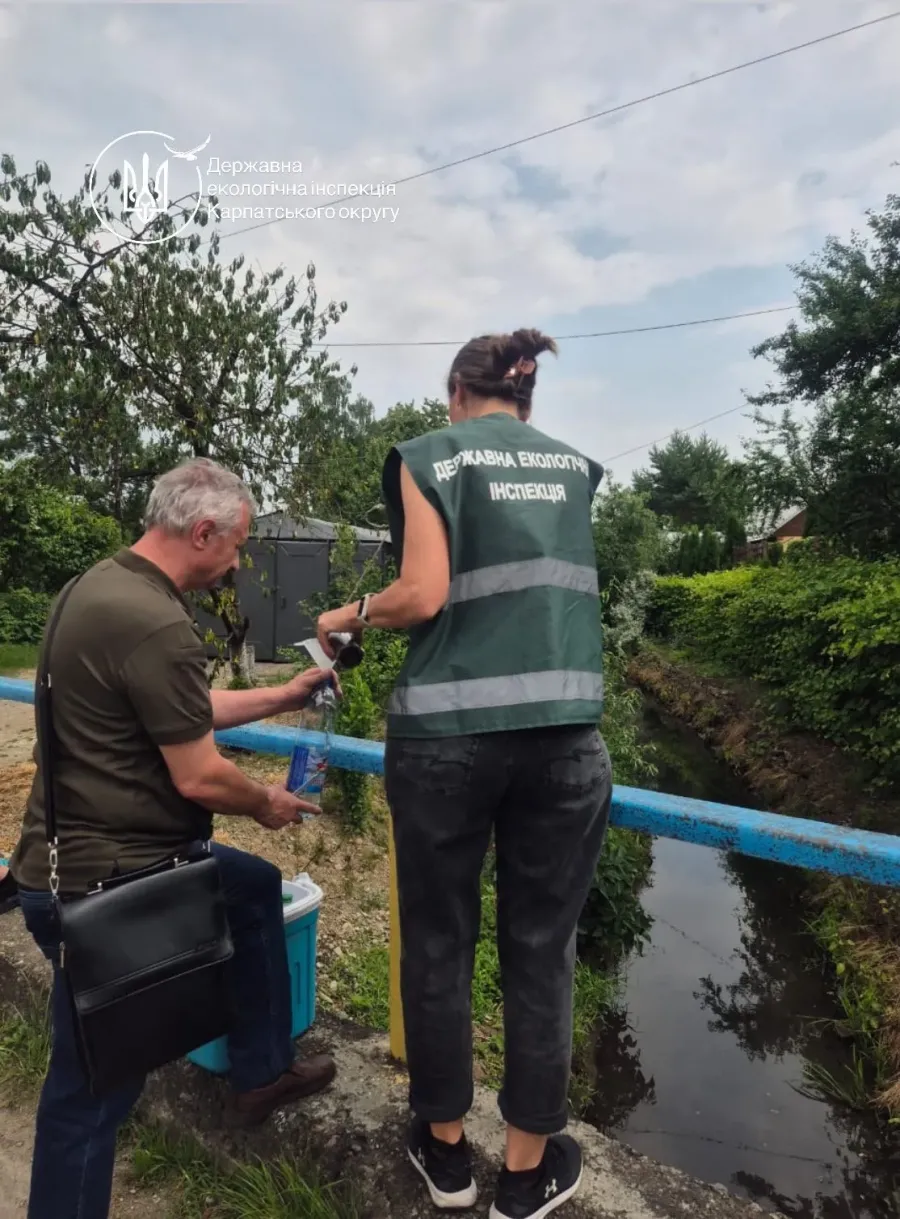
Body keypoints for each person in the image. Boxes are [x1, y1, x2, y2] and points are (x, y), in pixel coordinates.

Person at [317, 329, 612, 1219]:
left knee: (440, 940)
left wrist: (345, 613)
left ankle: (447, 1157)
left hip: (447, 741)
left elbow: (423, 593)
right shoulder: (574, 469)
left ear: (456, 393)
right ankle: (525, 1176)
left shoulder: (433, 457)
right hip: (566, 741)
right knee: (542, 950)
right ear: (526, 396)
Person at [9, 457, 339, 1219]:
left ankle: (261, 1071)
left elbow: (183, 704)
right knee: (92, 1095)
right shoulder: (156, 620)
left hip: (68, 864)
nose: (236, 564)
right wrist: (265, 801)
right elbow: (198, 775)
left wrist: (284, 693)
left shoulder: (96, 589)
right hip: (110, 886)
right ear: (202, 532)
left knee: (252, 887)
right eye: (236, 546)